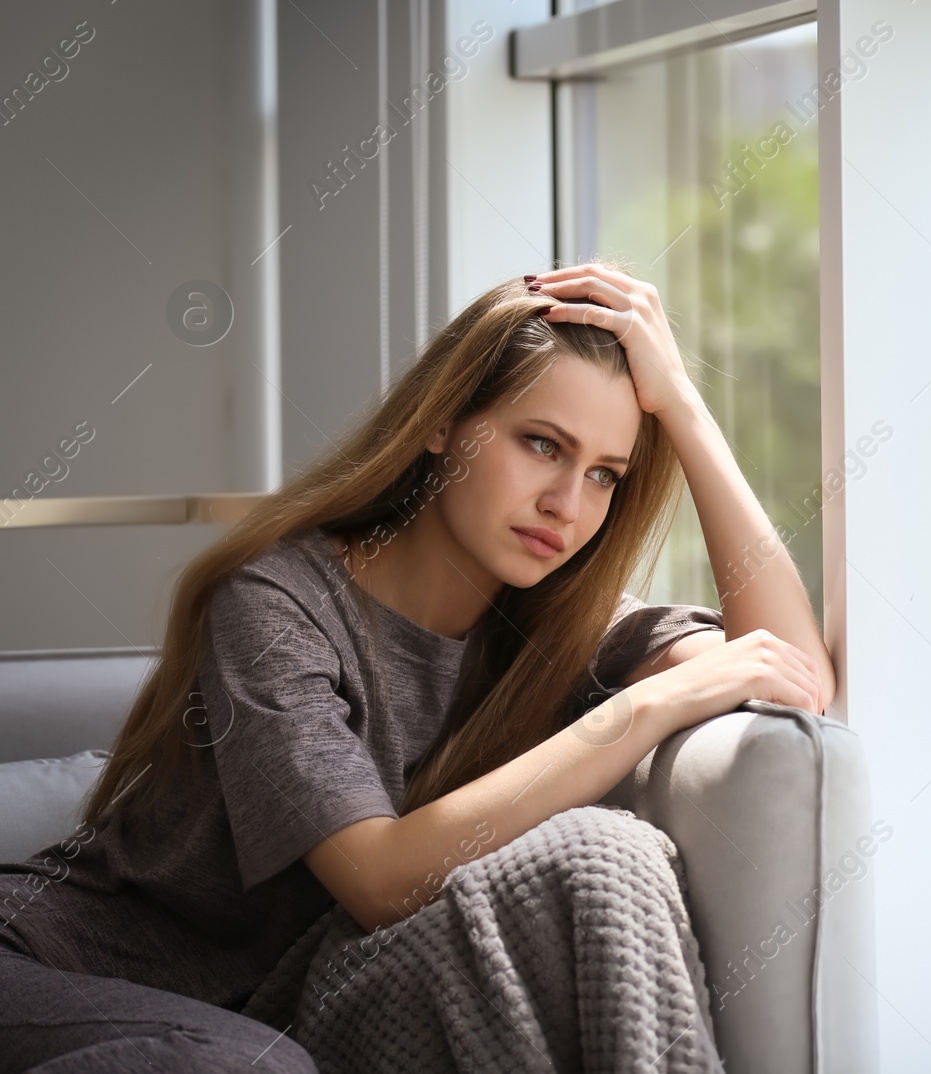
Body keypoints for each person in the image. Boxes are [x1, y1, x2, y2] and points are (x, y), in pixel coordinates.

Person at [0, 265, 834, 1072]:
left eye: (604, 475)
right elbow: (380, 878)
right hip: (48, 964)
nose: (567, 505)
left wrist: (683, 408)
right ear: (443, 424)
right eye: (542, 444)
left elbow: (793, 676)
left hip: (263, 1017)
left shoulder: (560, 630)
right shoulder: (276, 602)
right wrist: (640, 711)